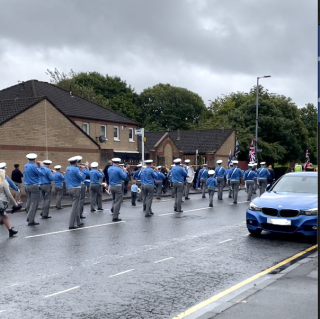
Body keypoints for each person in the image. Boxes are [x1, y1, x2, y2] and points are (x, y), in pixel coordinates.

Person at [24, 153, 46, 226]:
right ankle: (30, 219)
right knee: (34, 203)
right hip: (34, 186)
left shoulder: (25, 165)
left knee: (30, 201)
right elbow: (42, 173)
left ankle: (30, 218)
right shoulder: (34, 166)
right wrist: (41, 166)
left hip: (27, 185)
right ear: (34, 159)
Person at [65, 156, 86, 229]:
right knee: (74, 207)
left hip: (69, 188)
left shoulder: (67, 168)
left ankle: (78, 222)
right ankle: (71, 224)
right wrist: (83, 170)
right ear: (76, 162)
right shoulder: (76, 169)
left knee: (76, 206)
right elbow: (82, 177)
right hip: (76, 188)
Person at [0, 169, 19, 237]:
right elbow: (9, 194)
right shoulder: (4, 182)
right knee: (5, 216)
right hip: (2, 202)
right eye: (5, 173)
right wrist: (15, 203)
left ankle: (10, 231)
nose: (6, 175)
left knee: (5, 216)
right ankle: (10, 231)